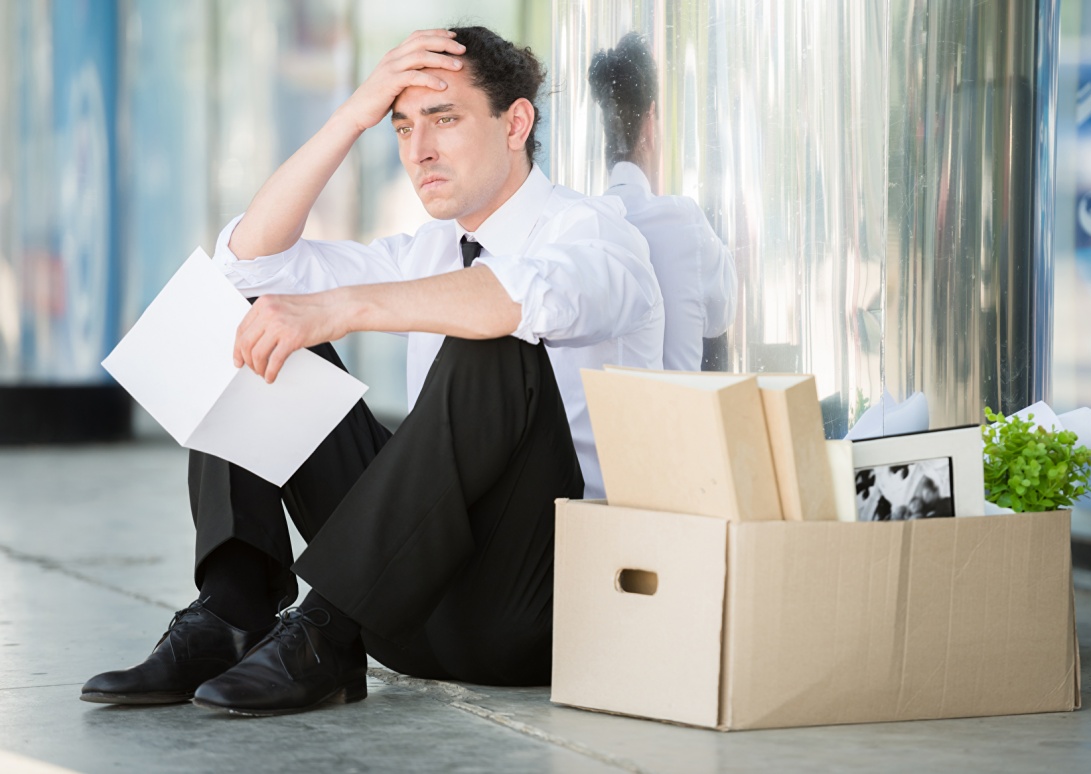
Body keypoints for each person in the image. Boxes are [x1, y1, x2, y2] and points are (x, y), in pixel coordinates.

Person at [80, 26, 663, 717]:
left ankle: (324, 627)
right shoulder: (427, 249)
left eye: (443, 119)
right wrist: (352, 114)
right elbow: (246, 264)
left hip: (537, 607)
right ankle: (234, 614)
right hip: (406, 599)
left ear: (516, 122)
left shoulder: (594, 232)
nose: (420, 150)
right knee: (245, 310)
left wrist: (342, 307)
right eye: (402, 127)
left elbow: (524, 298)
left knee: (494, 337)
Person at [588, 33, 736, 371]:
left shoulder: (579, 226)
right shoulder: (684, 221)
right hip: (682, 420)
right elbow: (722, 314)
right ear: (651, 123)